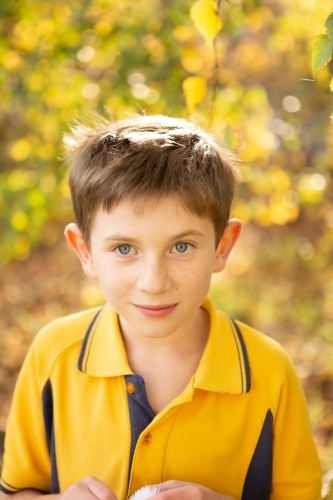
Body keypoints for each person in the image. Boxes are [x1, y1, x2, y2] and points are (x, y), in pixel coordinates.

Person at [0, 115, 322, 500]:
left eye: (181, 247)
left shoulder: (269, 372)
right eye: (124, 249)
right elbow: (17, 491)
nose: (153, 282)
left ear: (222, 246)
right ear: (85, 252)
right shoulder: (54, 354)